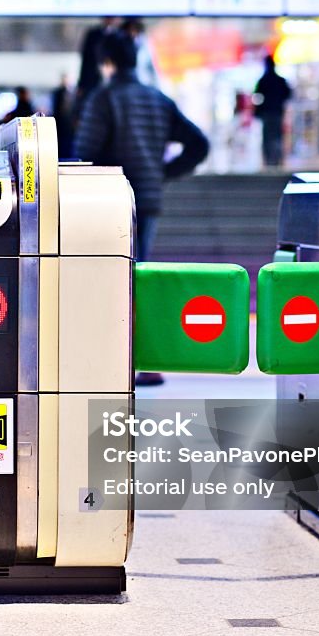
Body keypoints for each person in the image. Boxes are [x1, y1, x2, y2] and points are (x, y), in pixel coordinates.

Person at [74, 30, 208, 387]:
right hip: (146, 199)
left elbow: (85, 151)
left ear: (106, 63)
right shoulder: (156, 98)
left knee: (111, 281)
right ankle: (146, 361)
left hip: (109, 202)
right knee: (139, 276)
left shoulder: (105, 99)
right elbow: (199, 143)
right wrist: (162, 173)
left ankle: (116, 363)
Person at [254, 54, 292, 168]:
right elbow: (288, 95)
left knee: (268, 137)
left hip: (267, 113)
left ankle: (270, 160)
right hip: (277, 112)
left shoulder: (263, 81)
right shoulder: (280, 81)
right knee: (276, 136)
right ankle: (277, 159)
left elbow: (257, 97)